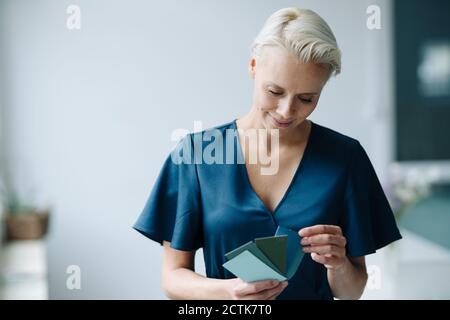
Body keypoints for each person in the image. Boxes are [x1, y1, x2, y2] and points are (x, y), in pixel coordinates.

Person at [133, 7, 402, 300]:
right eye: (275, 91)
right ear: (252, 66)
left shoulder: (346, 158)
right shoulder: (198, 155)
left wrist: (338, 264)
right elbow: (172, 279)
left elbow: (351, 292)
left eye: (306, 98)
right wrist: (229, 291)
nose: (287, 111)